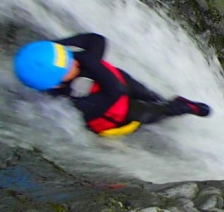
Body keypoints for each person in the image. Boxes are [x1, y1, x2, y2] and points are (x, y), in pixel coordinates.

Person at [13, 33, 210, 136]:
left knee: (148, 94)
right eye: (66, 65)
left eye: (67, 56)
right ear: (56, 85)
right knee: (159, 111)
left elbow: (95, 39)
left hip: (122, 84)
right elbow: (115, 90)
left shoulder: (69, 66)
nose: (73, 61)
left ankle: (161, 100)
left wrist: (57, 46)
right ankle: (182, 107)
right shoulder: (81, 102)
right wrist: (90, 61)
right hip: (122, 113)